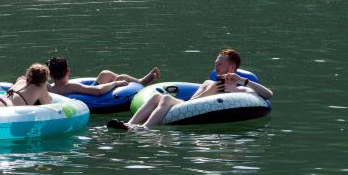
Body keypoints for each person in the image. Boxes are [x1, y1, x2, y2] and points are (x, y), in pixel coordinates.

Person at [108, 48, 273, 130]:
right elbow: (191, 103)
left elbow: (267, 94)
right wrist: (208, 92)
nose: (216, 66)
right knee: (157, 97)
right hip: (187, 105)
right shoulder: (209, 82)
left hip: (197, 106)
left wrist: (243, 80)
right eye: (216, 63)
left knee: (164, 98)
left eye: (220, 64)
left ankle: (144, 129)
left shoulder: (238, 89)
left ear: (231, 67)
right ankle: (129, 125)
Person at [46, 56, 160, 97]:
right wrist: (115, 83)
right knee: (120, 78)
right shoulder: (70, 86)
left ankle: (141, 81)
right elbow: (98, 91)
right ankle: (141, 82)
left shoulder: (50, 88)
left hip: (90, 90)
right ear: (68, 71)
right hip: (95, 96)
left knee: (104, 74)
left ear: (50, 75)